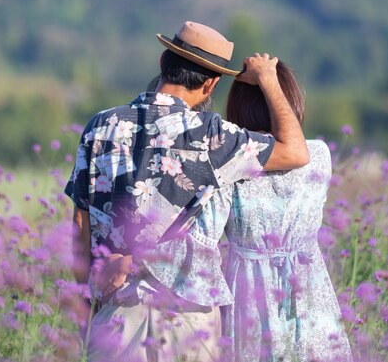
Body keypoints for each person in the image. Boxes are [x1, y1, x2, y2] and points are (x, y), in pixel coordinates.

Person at [64, 21, 309, 361]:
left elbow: (80, 225)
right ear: (210, 84)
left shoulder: (100, 125)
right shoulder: (213, 135)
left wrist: (85, 310)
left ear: (164, 61)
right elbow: (296, 151)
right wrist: (268, 78)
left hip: (116, 311)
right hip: (187, 315)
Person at [213, 61, 353, 361]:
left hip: (248, 289)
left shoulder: (233, 161)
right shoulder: (318, 155)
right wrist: (269, 81)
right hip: (307, 286)